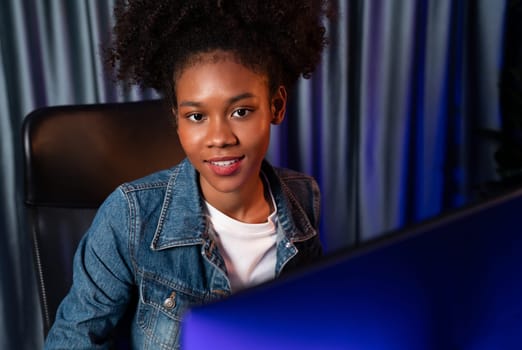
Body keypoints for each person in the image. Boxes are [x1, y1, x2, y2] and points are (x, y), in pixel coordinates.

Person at [44, 0, 335, 348]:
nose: (220, 138)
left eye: (241, 111)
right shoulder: (130, 216)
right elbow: (72, 340)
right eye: (197, 116)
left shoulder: (302, 197)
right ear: (177, 120)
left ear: (276, 106)